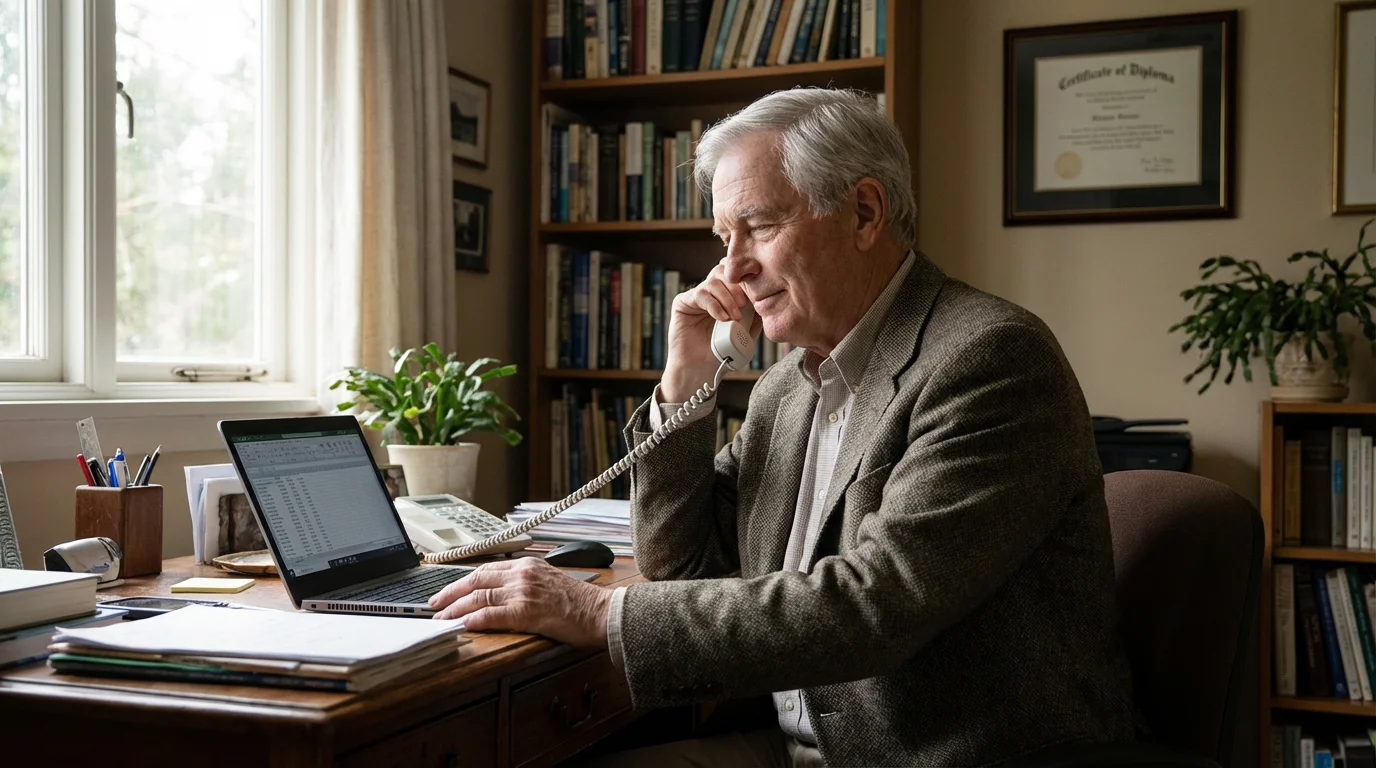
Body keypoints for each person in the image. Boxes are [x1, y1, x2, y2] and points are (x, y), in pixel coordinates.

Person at [429, 87, 1137, 767]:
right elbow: (682, 565)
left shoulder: (989, 359)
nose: (732, 268)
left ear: (864, 213)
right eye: (723, 237)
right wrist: (685, 388)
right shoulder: (785, 388)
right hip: (795, 745)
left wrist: (600, 614)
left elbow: (874, 607)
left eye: (760, 227)